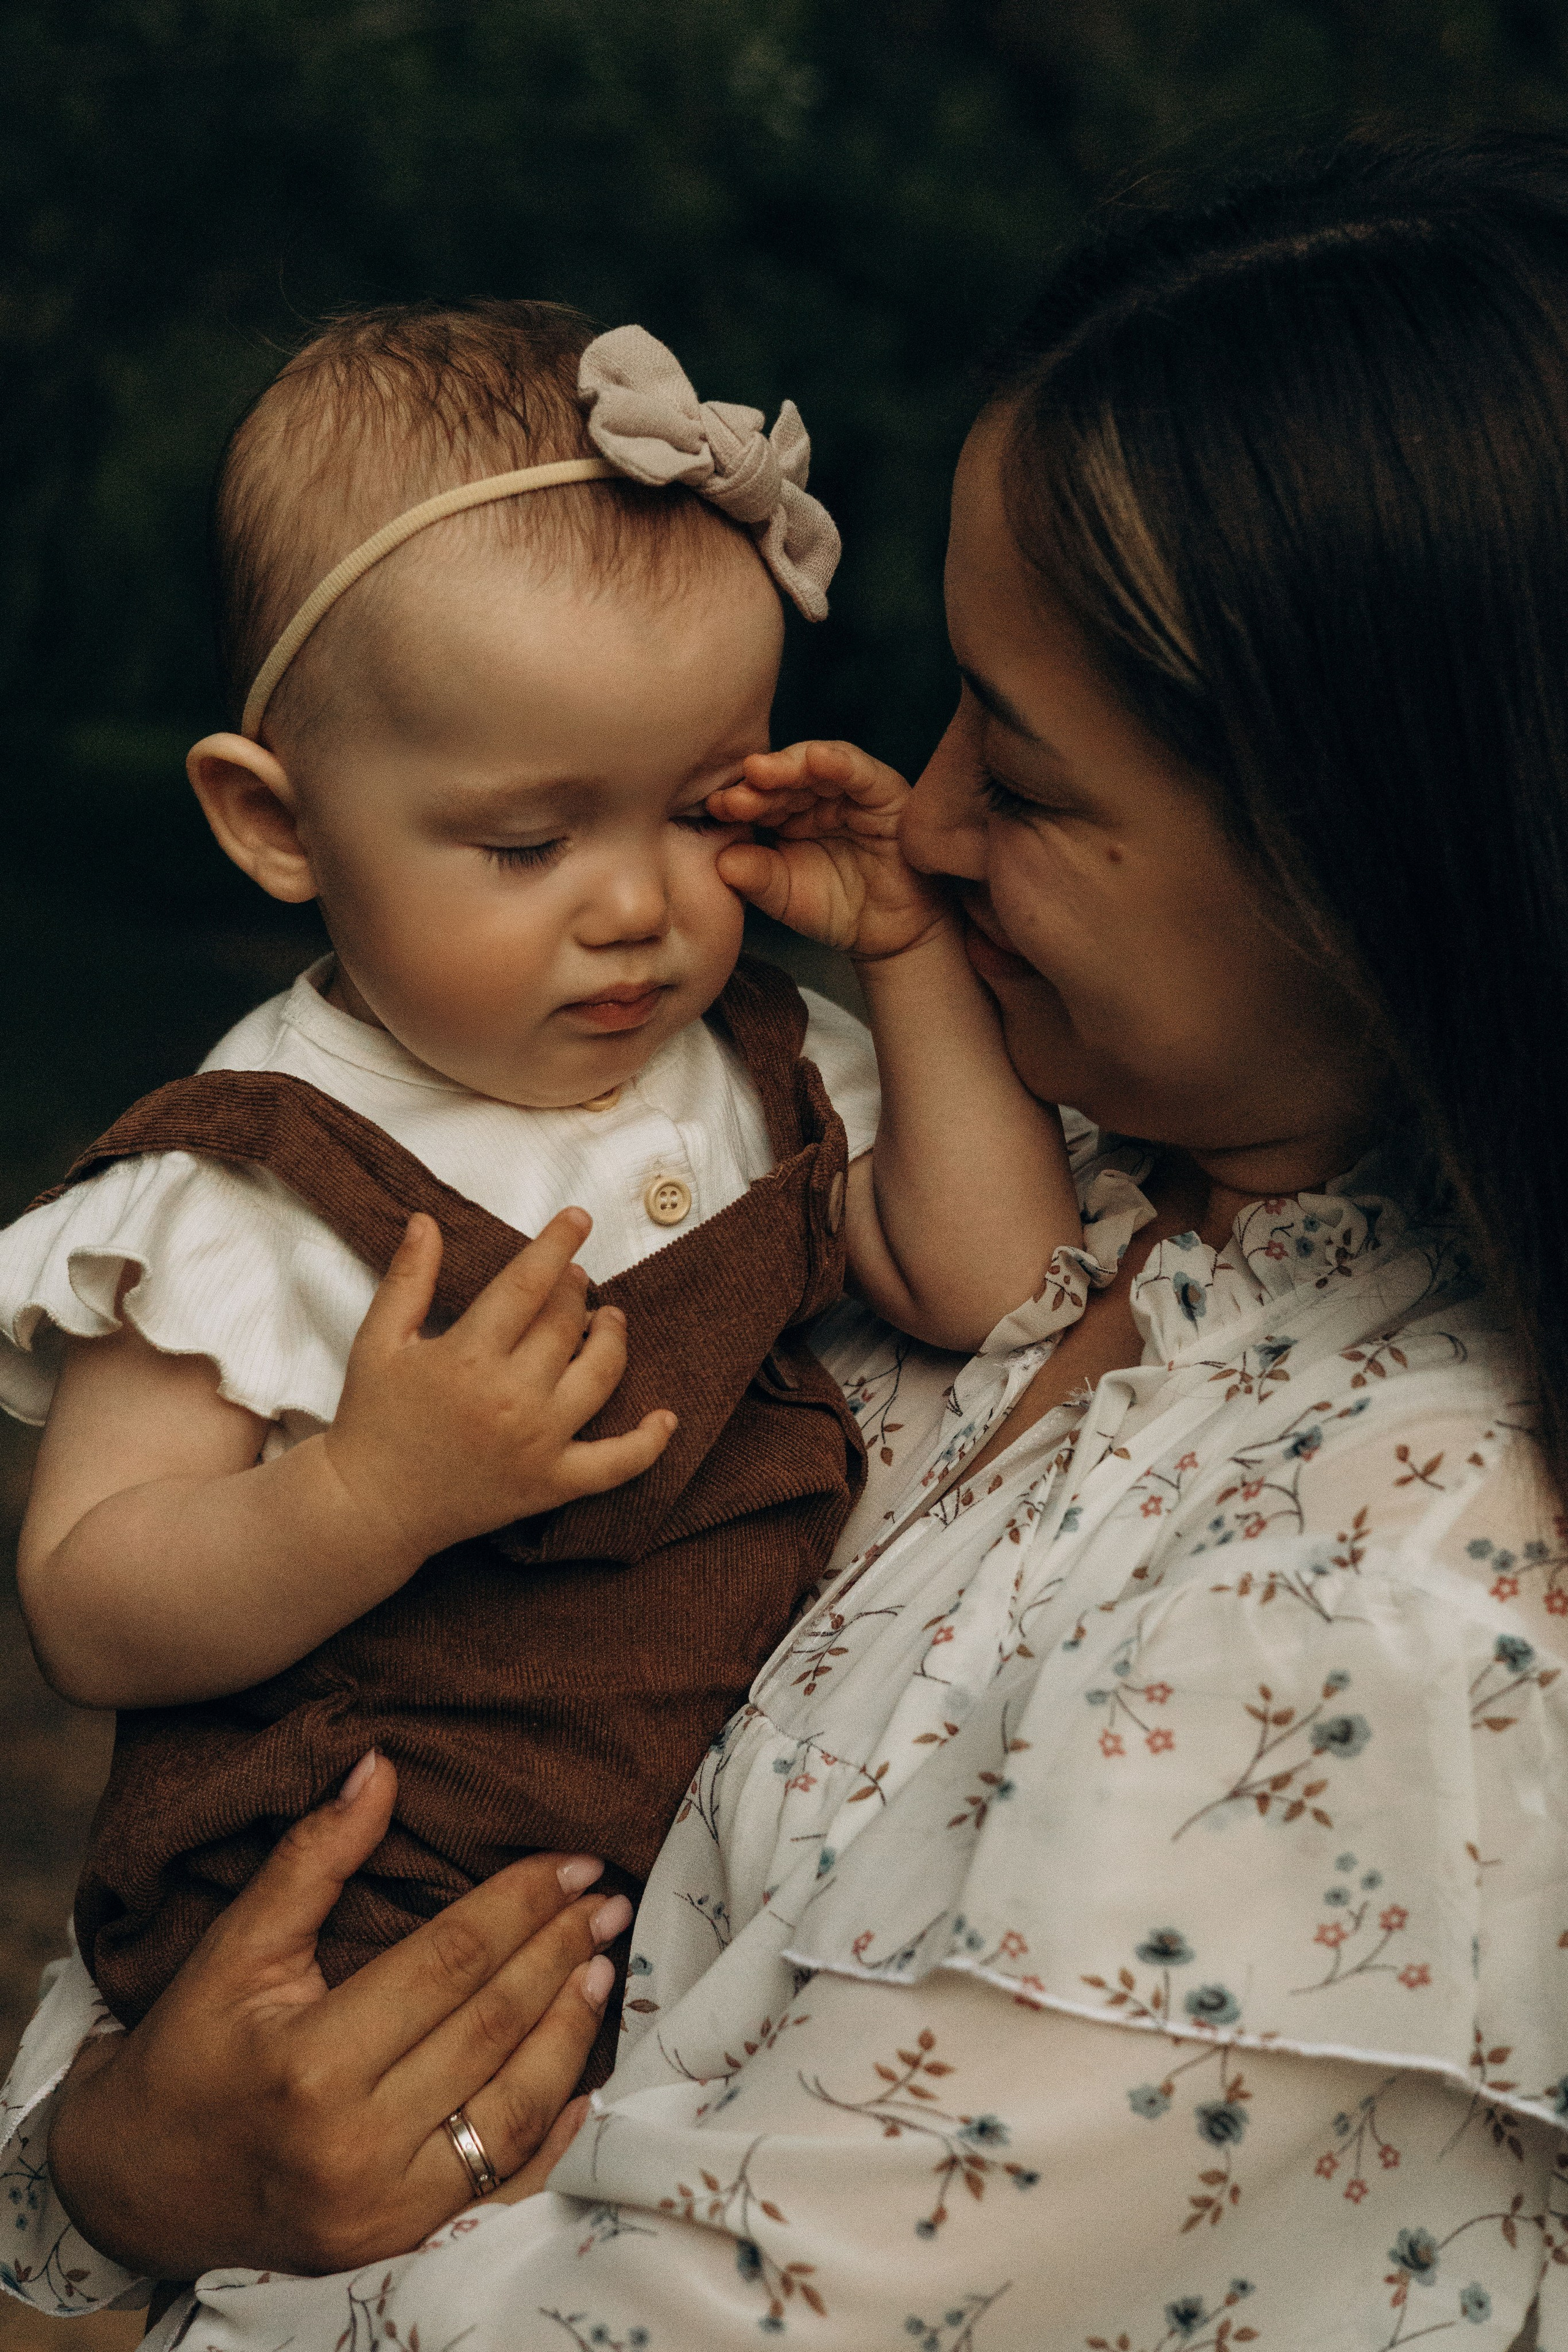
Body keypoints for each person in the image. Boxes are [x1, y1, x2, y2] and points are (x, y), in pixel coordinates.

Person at [6, 127, 1568, 2348]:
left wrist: (125, 2218)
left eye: (1017, 783)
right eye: (941, 710)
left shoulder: (1380, 1613)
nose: (907, 816)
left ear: (1379, 862)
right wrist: (111, 2165)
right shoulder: (1096, 1194)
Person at [0, 304, 1076, 2054]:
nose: (638, 904)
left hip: (703, 1903)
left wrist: (907, 956)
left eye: (700, 805)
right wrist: (368, 1494)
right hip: (362, 1913)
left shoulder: (757, 1063)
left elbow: (990, 1278)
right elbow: (91, 1602)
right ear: (278, 824)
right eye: (527, 842)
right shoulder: (244, 1180)